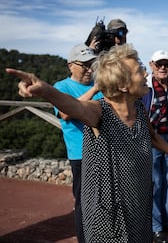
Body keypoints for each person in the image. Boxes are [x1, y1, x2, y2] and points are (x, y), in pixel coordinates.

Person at [6, 43, 168, 243]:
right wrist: (45, 90)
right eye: (139, 70)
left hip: (138, 202)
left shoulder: (139, 109)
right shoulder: (101, 111)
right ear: (123, 85)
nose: (145, 73)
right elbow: (76, 107)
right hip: (109, 211)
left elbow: (151, 137)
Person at [53, 43, 104, 243]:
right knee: (85, 203)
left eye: (92, 63)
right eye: (84, 64)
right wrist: (95, 90)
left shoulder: (98, 85)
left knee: (105, 201)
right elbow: (66, 112)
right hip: (81, 155)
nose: (89, 69)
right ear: (70, 65)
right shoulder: (61, 87)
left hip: (104, 151)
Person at [141, 50, 168, 243]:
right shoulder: (145, 86)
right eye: (159, 64)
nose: (162, 68)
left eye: (166, 64)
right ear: (151, 65)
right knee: (156, 184)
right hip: (151, 140)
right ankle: (157, 227)